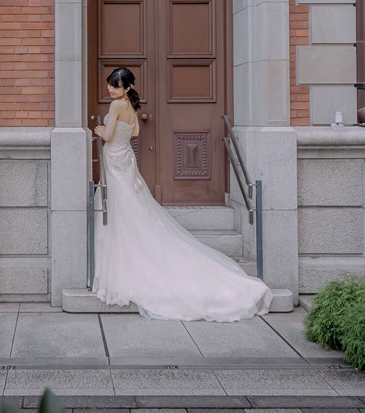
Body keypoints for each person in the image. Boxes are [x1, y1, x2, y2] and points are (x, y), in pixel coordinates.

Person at [92, 67, 272, 322]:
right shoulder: (131, 109)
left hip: (116, 160)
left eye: (116, 86)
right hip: (125, 161)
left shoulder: (116, 106)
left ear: (127, 88)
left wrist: (100, 131)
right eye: (110, 84)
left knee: (121, 210)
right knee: (132, 208)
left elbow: (109, 135)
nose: (111, 89)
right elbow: (134, 133)